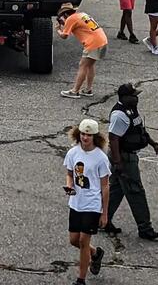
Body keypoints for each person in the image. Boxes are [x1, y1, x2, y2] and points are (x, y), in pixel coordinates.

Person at [105, 84, 158, 240]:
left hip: (127, 156)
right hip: (124, 158)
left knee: (116, 189)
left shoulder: (131, 110)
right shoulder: (119, 115)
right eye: (133, 95)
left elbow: (139, 129)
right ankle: (145, 228)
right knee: (135, 191)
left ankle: (102, 220)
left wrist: (153, 144)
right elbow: (113, 139)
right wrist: (118, 163)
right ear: (124, 97)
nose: (136, 98)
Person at [63, 118, 110, 285]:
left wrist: (104, 213)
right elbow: (70, 174)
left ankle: (81, 279)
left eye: (89, 135)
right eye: (83, 134)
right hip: (76, 203)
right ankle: (95, 253)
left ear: (95, 137)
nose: (85, 137)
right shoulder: (73, 153)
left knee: (83, 241)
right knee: (74, 240)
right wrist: (69, 186)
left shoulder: (100, 158)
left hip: (92, 204)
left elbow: (105, 186)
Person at [57, 3, 108, 98]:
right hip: (102, 40)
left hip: (93, 43)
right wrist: (65, 24)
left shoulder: (70, 19)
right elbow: (79, 27)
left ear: (65, 14)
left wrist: (58, 30)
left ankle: (75, 91)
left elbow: (64, 36)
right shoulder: (82, 15)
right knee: (90, 65)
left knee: (83, 65)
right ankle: (88, 89)